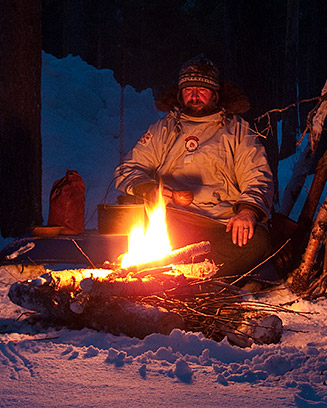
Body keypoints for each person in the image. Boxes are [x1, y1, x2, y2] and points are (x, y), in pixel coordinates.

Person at [113, 55, 274, 284]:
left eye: (202, 89)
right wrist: (147, 188)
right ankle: (197, 278)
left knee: (257, 240)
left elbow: (259, 176)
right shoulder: (165, 128)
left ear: (215, 93)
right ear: (180, 93)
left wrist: (247, 211)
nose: (195, 95)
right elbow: (128, 168)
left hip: (221, 224)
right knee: (128, 224)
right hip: (174, 220)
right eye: (189, 89)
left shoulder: (237, 131)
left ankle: (187, 277)